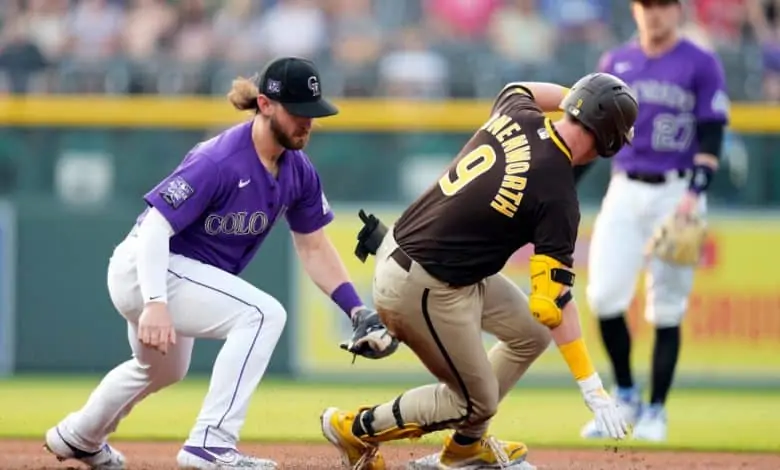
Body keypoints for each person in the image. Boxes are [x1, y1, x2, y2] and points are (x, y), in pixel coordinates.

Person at [42, 57, 397, 470]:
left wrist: (355, 308)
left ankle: (78, 436)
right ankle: (210, 444)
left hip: (181, 274)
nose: (307, 123)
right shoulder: (219, 158)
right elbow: (156, 227)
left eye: (313, 113)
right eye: (297, 112)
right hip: (148, 265)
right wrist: (156, 302)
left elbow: (314, 247)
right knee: (263, 315)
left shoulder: (299, 171)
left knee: (160, 370)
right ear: (264, 104)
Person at [322, 72, 639, 470]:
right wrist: (592, 388)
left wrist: (577, 98)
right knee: (474, 401)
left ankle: (465, 451)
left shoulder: (519, 114)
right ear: (608, 141)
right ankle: (354, 429)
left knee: (530, 332)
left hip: (423, 260)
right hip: (423, 282)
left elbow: (520, 88)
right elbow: (553, 302)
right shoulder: (557, 194)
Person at [577, 0, 730, 443]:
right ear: (635, 9)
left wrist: (694, 193)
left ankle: (656, 411)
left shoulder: (700, 63)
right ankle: (625, 394)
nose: (654, 13)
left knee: (666, 307)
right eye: (647, 5)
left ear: (677, 10)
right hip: (625, 187)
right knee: (604, 296)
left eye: (663, 5)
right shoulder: (617, 62)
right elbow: (594, 133)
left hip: (677, 192)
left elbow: (712, 133)